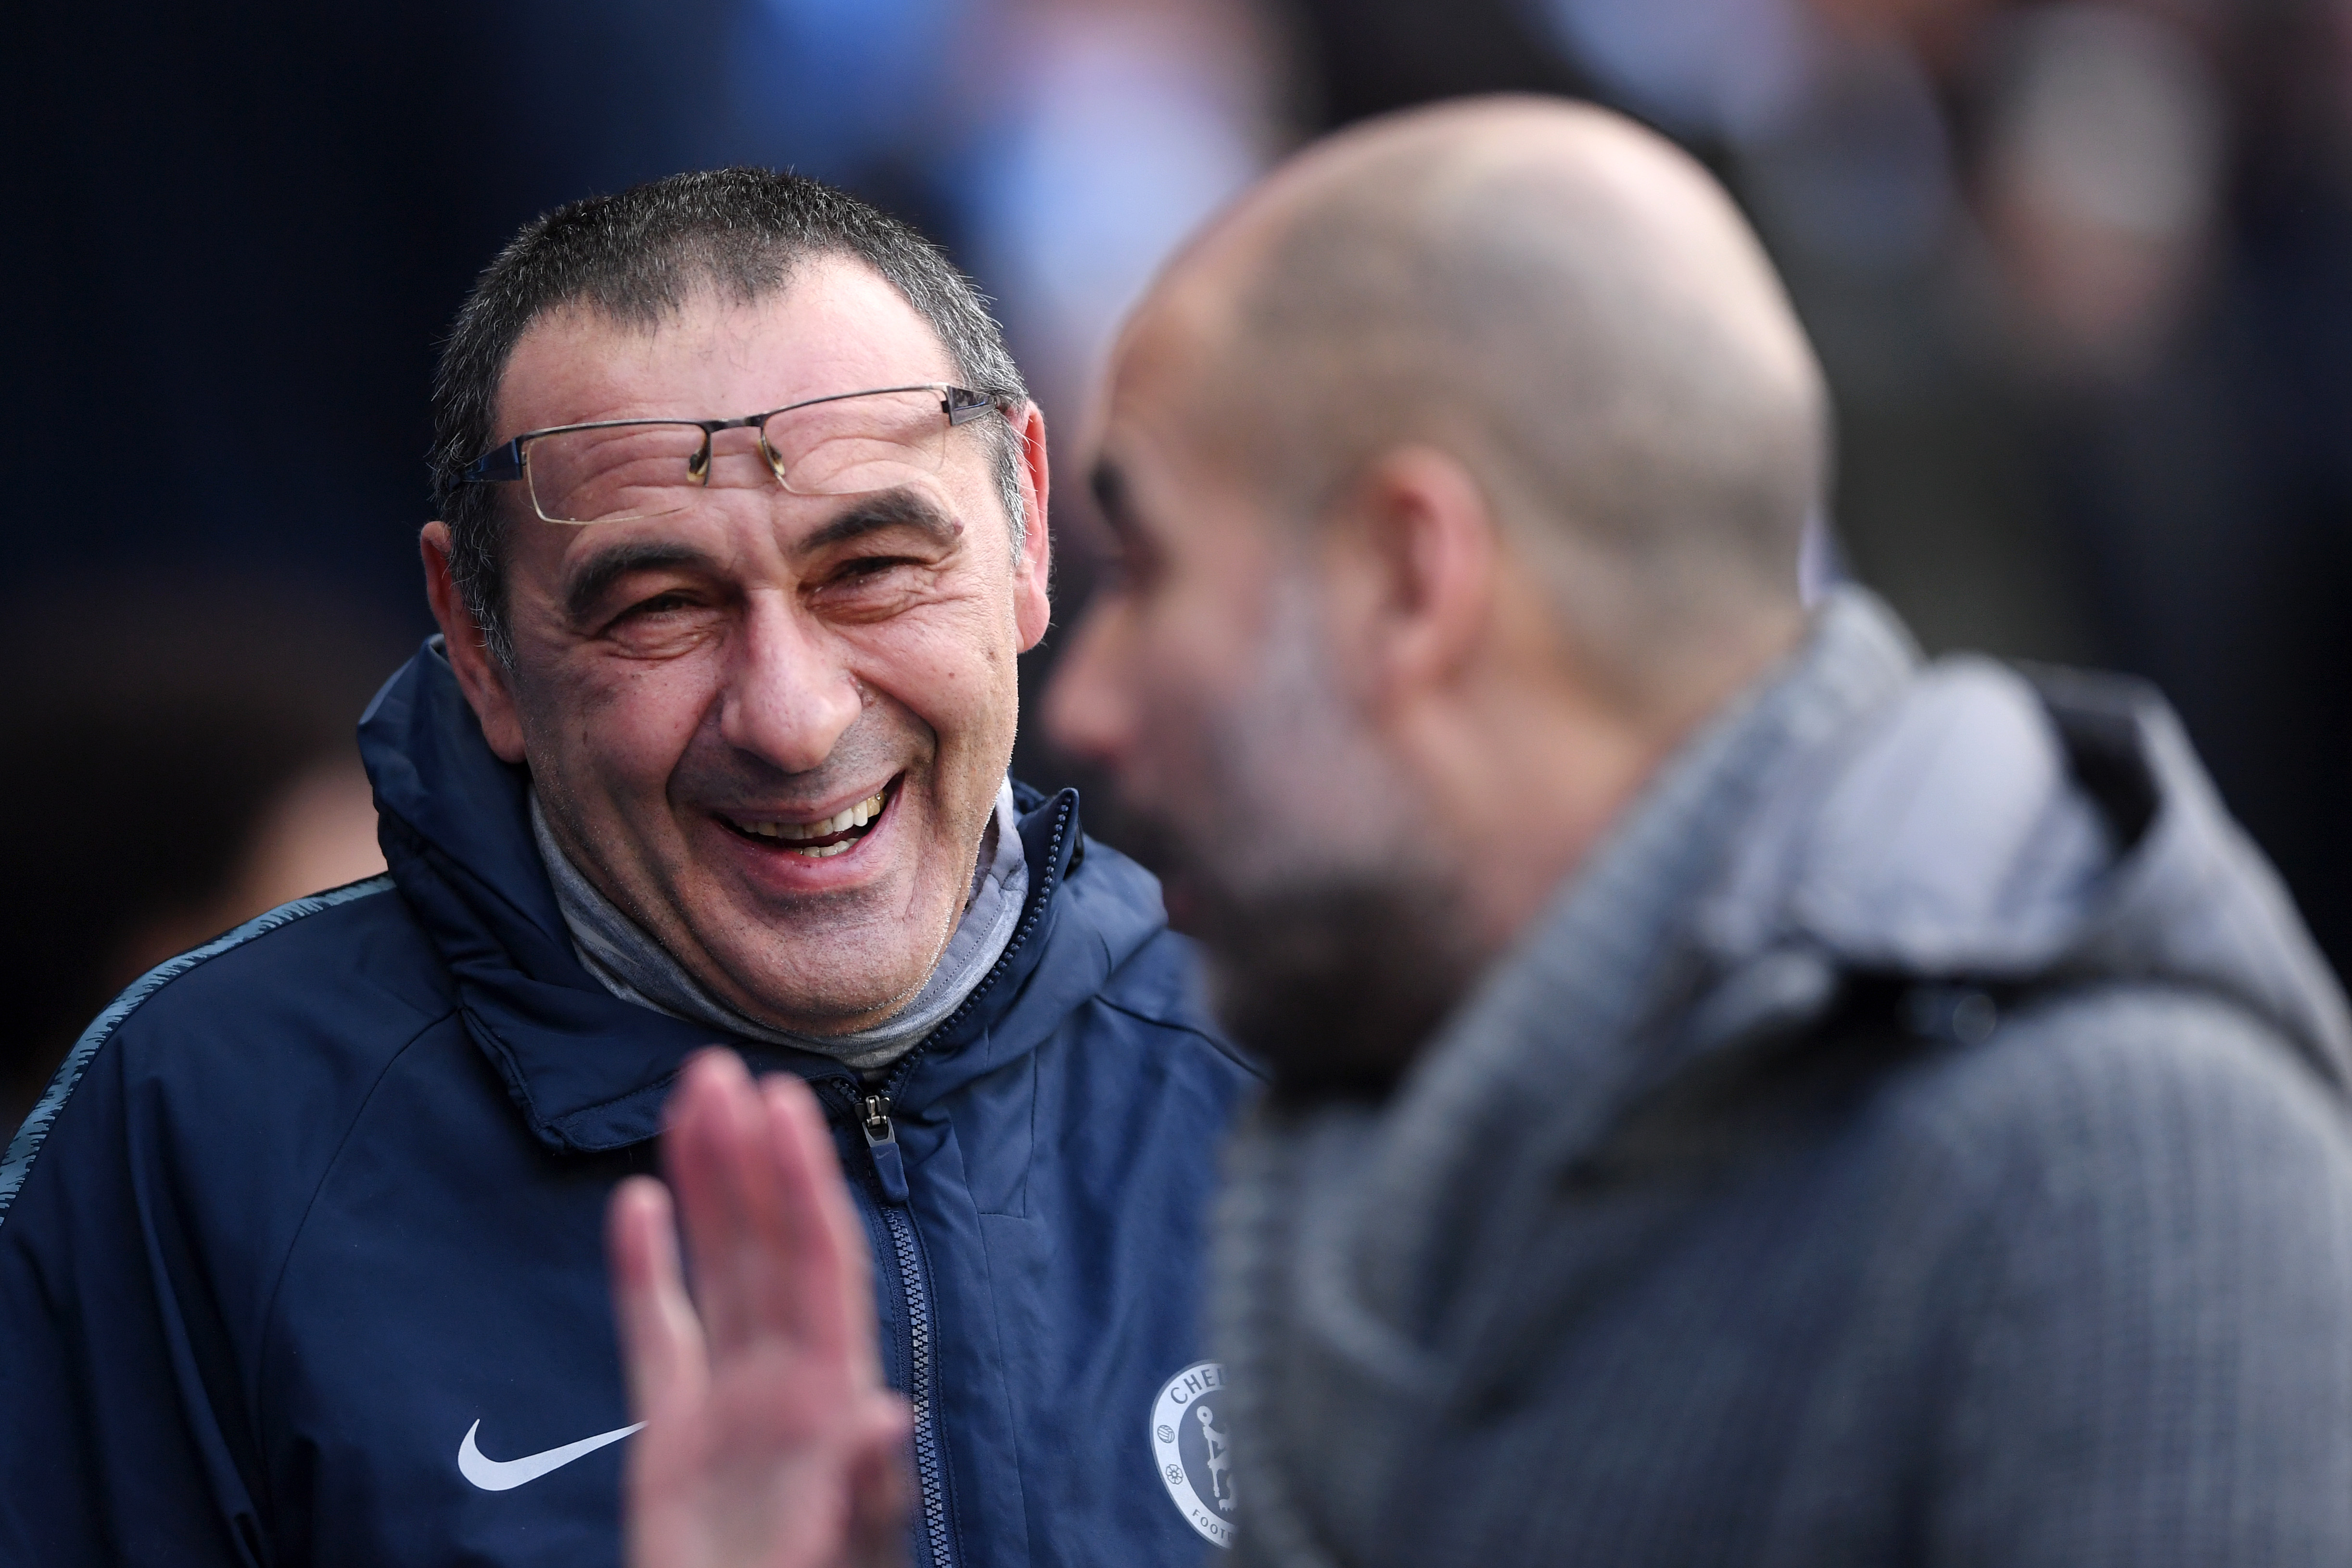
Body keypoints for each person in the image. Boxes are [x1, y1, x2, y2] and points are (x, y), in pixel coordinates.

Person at [614, 99, 2352, 1567]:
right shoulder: (1361, 1156)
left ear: (1405, 579)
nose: (1090, 702)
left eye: (1152, 574)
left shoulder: (2115, 1172)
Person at [0, 168, 1259, 1567]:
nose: (793, 716)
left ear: (1026, 523)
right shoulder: (202, 1136)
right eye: (661, 606)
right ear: (478, 643)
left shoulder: (1319, 1077)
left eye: (874, 567)